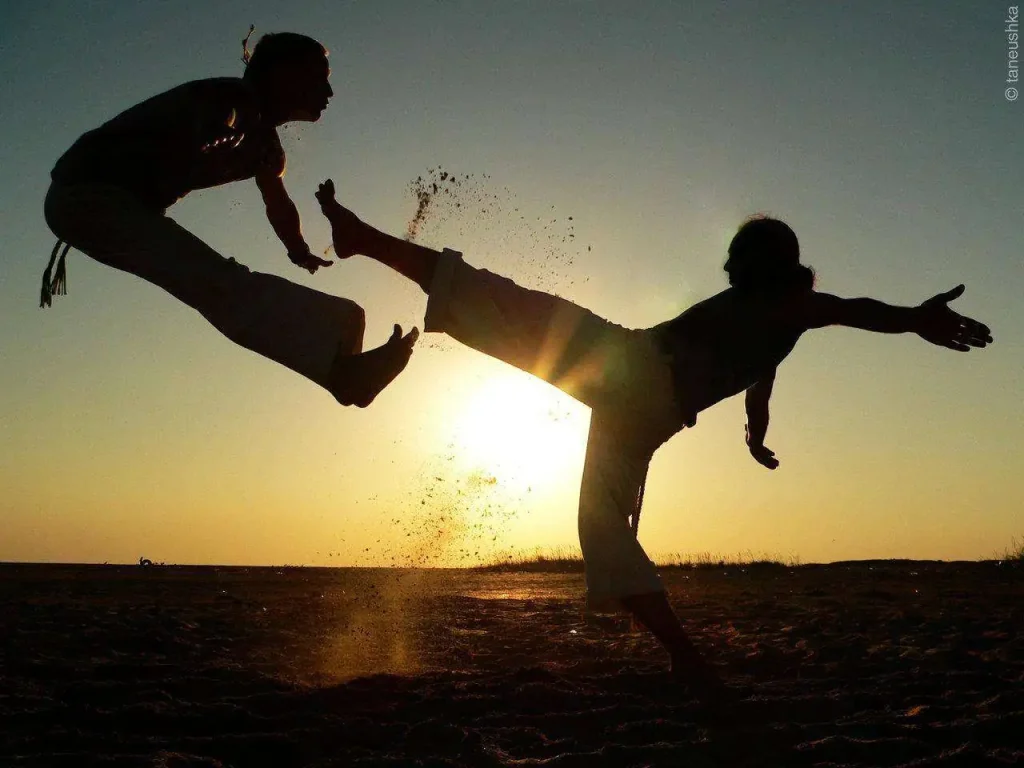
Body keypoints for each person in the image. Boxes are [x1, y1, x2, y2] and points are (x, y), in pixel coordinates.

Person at [314, 179, 993, 698]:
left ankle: (363, 241)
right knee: (599, 520)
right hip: (645, 409)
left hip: (632, 373)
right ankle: (687, 660)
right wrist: (757, 430)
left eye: (741, 258)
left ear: (766, 264)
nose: (732, 267)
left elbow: (852, 312)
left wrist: (912, 318)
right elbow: (765, 371)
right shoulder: (781, 319)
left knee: (508, 307)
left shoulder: (793, 305)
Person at [41, 31, 416, 407]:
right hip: (85, 193)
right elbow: (214, 116)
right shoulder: (229, 101)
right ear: (283, 74)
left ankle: (341, 348)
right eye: (320, 77)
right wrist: (218, 130)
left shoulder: (266, 146)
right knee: (214, 279)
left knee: (216, 279)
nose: (329, 91)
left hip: (115, 206)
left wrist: (298, 249)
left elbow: (276, 201)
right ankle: (342, 369)